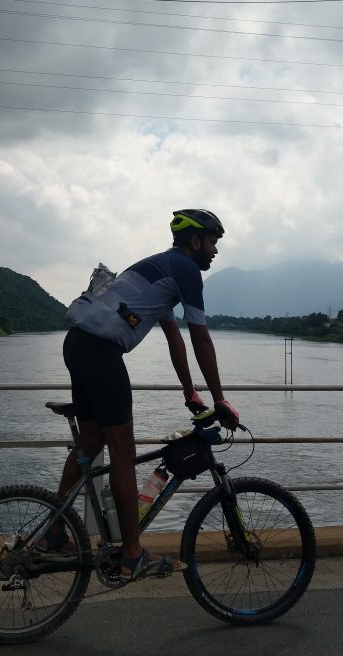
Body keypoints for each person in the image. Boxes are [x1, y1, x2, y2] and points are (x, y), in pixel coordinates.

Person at [48, 208, 240, 581]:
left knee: (90, 443)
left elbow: (175, 339)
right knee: (123, 451)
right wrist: (220, 399)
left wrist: (191, 391)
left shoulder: (158, 268)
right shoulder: (185, 271)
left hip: (78, 345)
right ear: (196, 241)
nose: (215, 251)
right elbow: (200, 338)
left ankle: (53, 535)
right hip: (101, 354)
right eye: (213, 242)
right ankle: (132, 554)